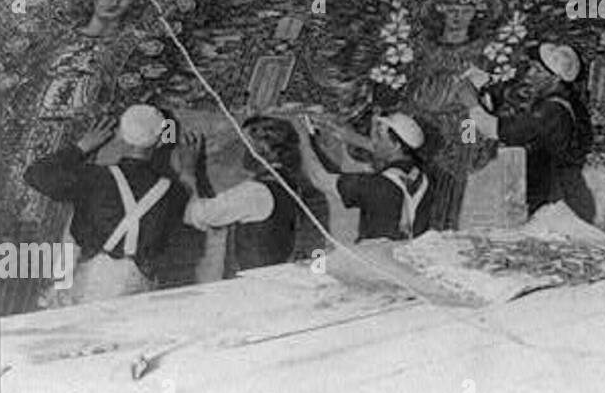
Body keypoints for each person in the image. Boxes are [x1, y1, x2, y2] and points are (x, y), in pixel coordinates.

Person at [23, 105, 187, 302]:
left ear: (120, 135)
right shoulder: (174, 192)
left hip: (86, 282)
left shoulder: (94, 177)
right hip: (135, 288)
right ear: (161, 141)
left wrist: (82, 146)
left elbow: (35, 174)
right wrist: (188, 173)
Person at [468, 42, 595, 221]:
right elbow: (510, 95)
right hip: (556, 198)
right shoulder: (556, 99)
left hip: (559, 208)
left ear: (554, 79)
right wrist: (484, 83)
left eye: (536, 71)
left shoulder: (552, 111)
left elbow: (494, 129)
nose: (529, 75)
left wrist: (470, 104)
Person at [176, 116, 309, 276]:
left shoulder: (255, 193)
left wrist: (188, 171)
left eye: (245, 145)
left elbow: (196, 214)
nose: (241, 151)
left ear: (261, 151)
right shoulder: (289, 185)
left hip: (252, 285)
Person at [301, 113, 442, 241]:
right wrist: (348, 136)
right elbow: (387, 151)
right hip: (406, 256)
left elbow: (318, 178)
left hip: (374, 258)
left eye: (379, 136)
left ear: (396, 146)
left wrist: (302, 138)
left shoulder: (375, 186)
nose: (373, 139)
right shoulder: (424, 176)